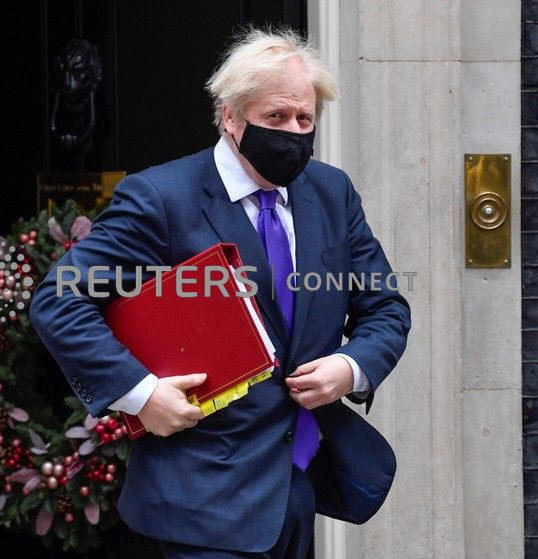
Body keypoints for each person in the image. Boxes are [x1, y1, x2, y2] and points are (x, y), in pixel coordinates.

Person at [30, 26, 411, 559]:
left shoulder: (331, 193)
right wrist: (140, 394)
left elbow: (386, 307)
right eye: (276, 117)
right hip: (201, 501)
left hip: (297, 490)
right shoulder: (161, 198)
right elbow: (60, 298)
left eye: (304, 119)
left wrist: (350, 367)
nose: (293, 132)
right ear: (231, 116)